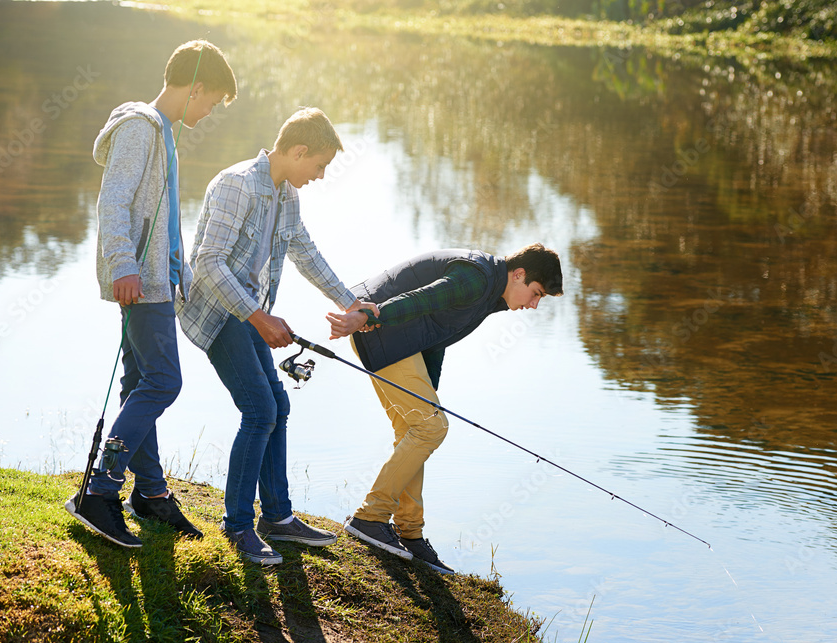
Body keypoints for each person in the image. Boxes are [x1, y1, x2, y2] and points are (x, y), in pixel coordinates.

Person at [176, 107, 376, 565]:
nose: (321, 175)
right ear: (299, 151)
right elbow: (207, 262)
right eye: (320, 165)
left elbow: (305, 250)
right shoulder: (236, 184)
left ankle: (278, 518)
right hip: (219, 311)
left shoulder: (287, 195)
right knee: (260, 408)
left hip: (249, 313)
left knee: (278, 405)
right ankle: (238, 526)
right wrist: (258, 318)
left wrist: (350, 302)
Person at [65, 40, 237, 548]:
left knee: (141, 378)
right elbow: (114, 200)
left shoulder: (163, 132)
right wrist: (124, 264)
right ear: (197, 86)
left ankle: (152, 494)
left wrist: (178, 266)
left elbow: (159, 212)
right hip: (138, 278)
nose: (206, 114)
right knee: (163, 381)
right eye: (209, 104)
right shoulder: (141, 128)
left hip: (156, 277)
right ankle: (100, 491)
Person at [328, 243, 563, 574]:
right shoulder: (478, 277)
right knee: (431, 427)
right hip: (379, 326)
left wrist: (430, 391)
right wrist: (363, 316)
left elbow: (436, 333)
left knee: (415, 428)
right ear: (519, 274)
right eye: (536, 294)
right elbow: (419, 300)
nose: (534, 305)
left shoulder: (492, 291)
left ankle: (409, 534)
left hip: (393, 333)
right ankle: (370, 518)